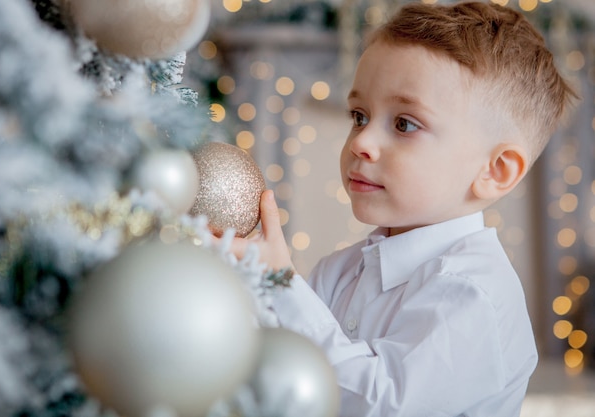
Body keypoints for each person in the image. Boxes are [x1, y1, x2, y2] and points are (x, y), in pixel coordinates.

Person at [231, 1, 577, 416]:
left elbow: (380, 404)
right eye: (359, 116)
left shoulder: (474, 294)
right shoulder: (338, 273)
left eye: (404, 124)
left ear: (495, 170)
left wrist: (281, 284)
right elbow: (274, 371)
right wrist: (243, 279)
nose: (360, 142)